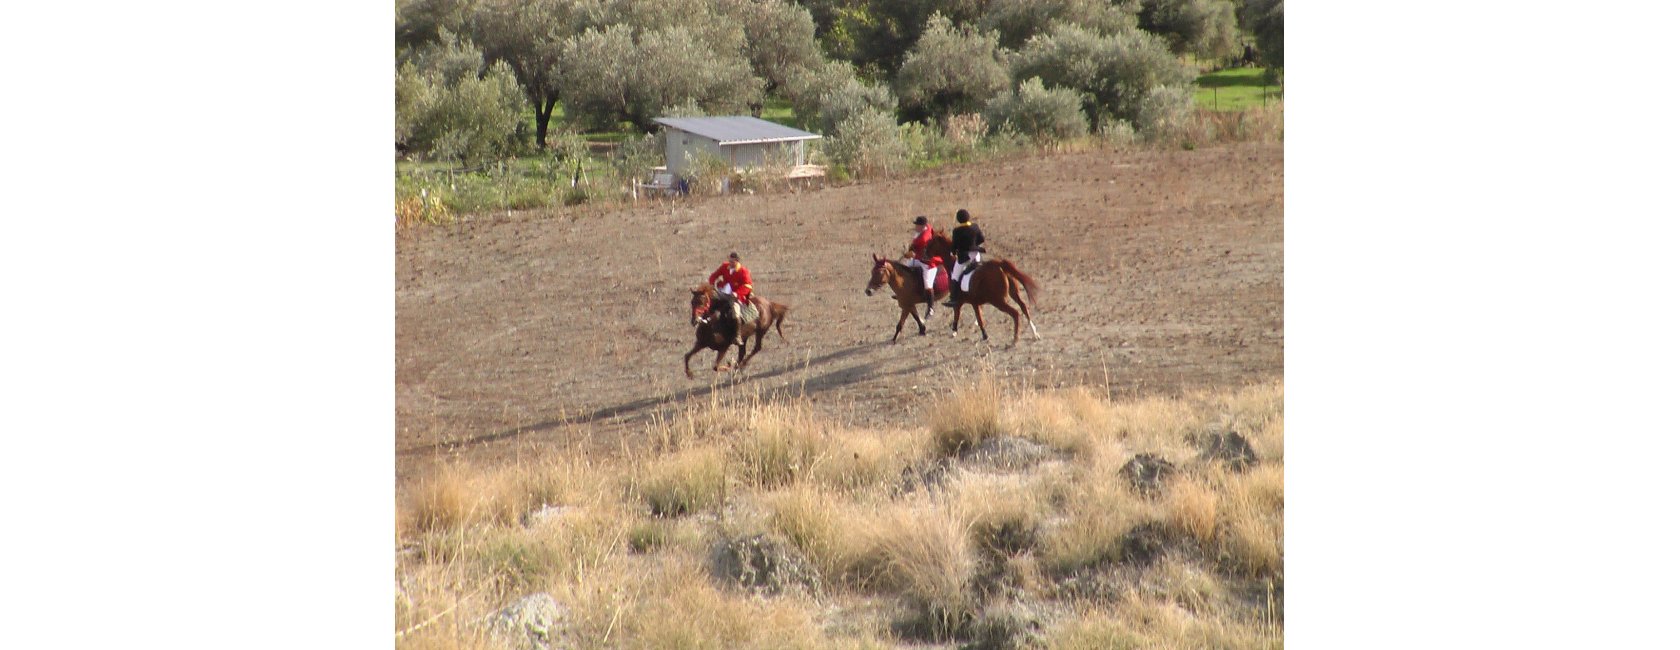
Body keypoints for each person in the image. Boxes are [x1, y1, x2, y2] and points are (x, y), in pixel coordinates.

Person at [706, 252, 754, 345]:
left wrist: (737, 294)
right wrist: (712, 284)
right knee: (708, 298)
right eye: (729, 261)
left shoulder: (743, 271)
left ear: (737, 261)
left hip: (735, 296)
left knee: (736, 313)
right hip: (723, 291)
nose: (730, 263)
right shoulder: (725, 266)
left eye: (732, 262)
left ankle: (737, 336)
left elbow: (748, 286)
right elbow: (713, 276)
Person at [943, 208, 985, 307]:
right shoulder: (975, 226)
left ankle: (953, 298)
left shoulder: (957, 231)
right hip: (976, 255)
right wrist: (974, 245)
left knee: (955, 276)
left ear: (958, 219)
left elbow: (954, 246)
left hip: (965, 258)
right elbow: (981, 239)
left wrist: (953, 252)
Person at [905, 215, 943, 318]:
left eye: (917, 225)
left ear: (922, 226)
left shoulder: (923, 238)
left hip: (929, 262)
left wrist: (911, 253)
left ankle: (930, 308)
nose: (915, 227)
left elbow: (921, 252)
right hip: (920, 259)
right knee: (906, 266)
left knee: (928, 284)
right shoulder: (926, 229)